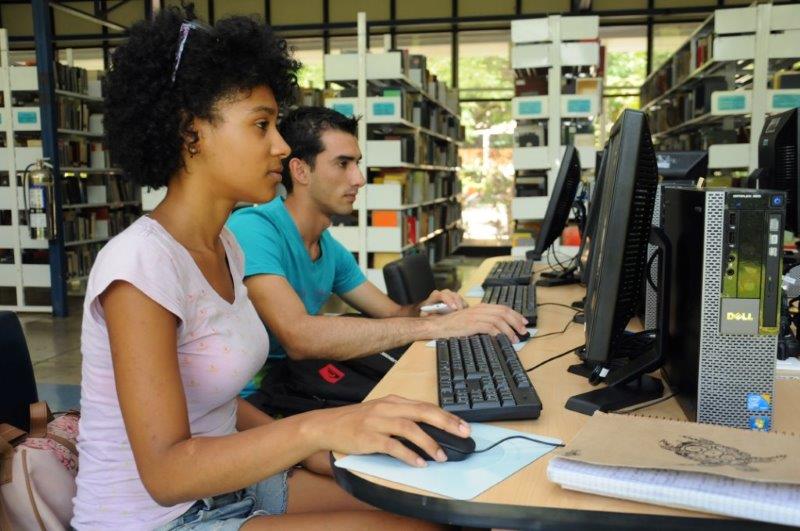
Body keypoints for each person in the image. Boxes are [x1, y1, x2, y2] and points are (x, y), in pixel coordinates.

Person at [72, 8, 468, 530]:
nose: (281, 145)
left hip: (226, 486)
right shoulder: (141, 263)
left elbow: (216, 402)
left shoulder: (228, 245)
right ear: (190, 132)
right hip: (158, 518)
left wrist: (309, 446)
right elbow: (166, 473)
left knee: (436, 504)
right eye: (262, 124)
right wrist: (316, 431)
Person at [227, 106, 529, 397]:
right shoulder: (254, 229)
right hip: (254, 402)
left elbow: (391, 313)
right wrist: (438, 327)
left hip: (301, 382)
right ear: (301, 170)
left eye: (357, 164)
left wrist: (427, 308)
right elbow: (299, 337)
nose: (358, 179)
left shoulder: (330, 249)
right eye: (343, 164)